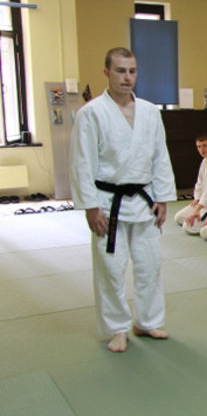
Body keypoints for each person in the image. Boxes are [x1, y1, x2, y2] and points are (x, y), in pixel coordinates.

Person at [70, 47, 176, 353]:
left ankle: (147, 321)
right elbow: (82, 162)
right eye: (120, 70)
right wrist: (90, 207)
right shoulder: (90, 113)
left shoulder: (150, 111)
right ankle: (117, 328)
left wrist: (162, 198)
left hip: (144, 199)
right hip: (107, 201)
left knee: (150, 265)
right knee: (111, 269)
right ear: (107, 73)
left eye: (132, 71)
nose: (127, 77)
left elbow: (160, 156)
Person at [173, 135, 207, 225]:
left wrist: (201, 203)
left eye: (204, 145)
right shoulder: (204, 162)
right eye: (199, 147)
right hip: (201, 201)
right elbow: (199, 183)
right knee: (179, 217)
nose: (202, 149)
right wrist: (197, 198)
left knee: (189, 225)